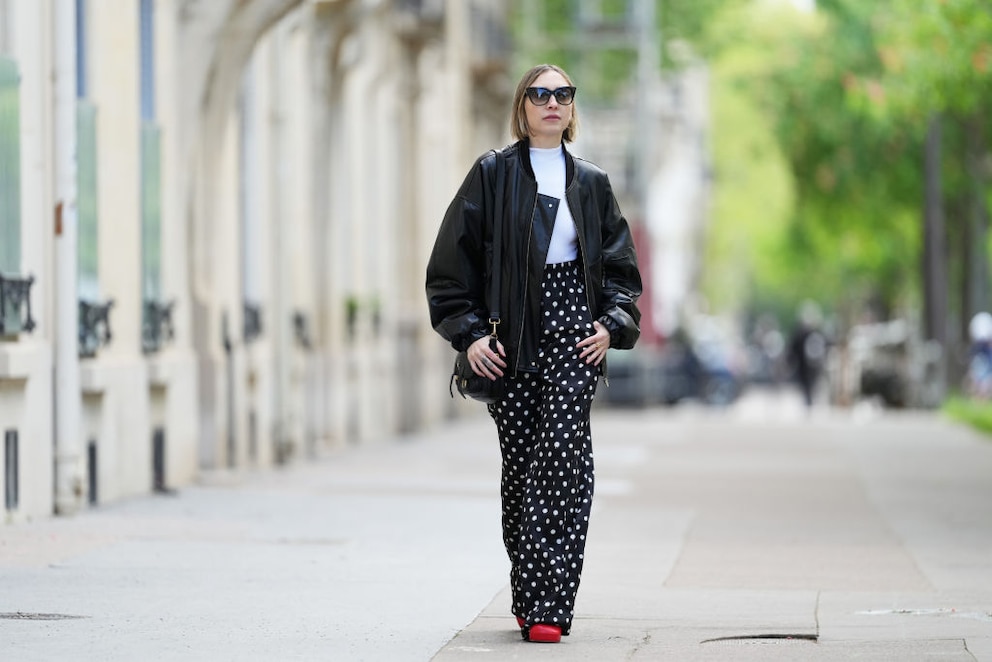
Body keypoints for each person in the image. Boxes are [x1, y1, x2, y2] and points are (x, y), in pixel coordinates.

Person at [426, 64, 642, 644]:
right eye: (540, 94)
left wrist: (611, 324)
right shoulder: (492, 175)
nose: (552, 103)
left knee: (566, 458)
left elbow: (622, 273)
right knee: (522, 467)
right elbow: (450, 267)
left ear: (573, 109)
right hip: (512, 336)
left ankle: (550, 604)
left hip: (575, 329)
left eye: (563, 94)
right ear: (522, 106)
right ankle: (529, 591)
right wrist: (471, 335)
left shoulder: (591, 182)